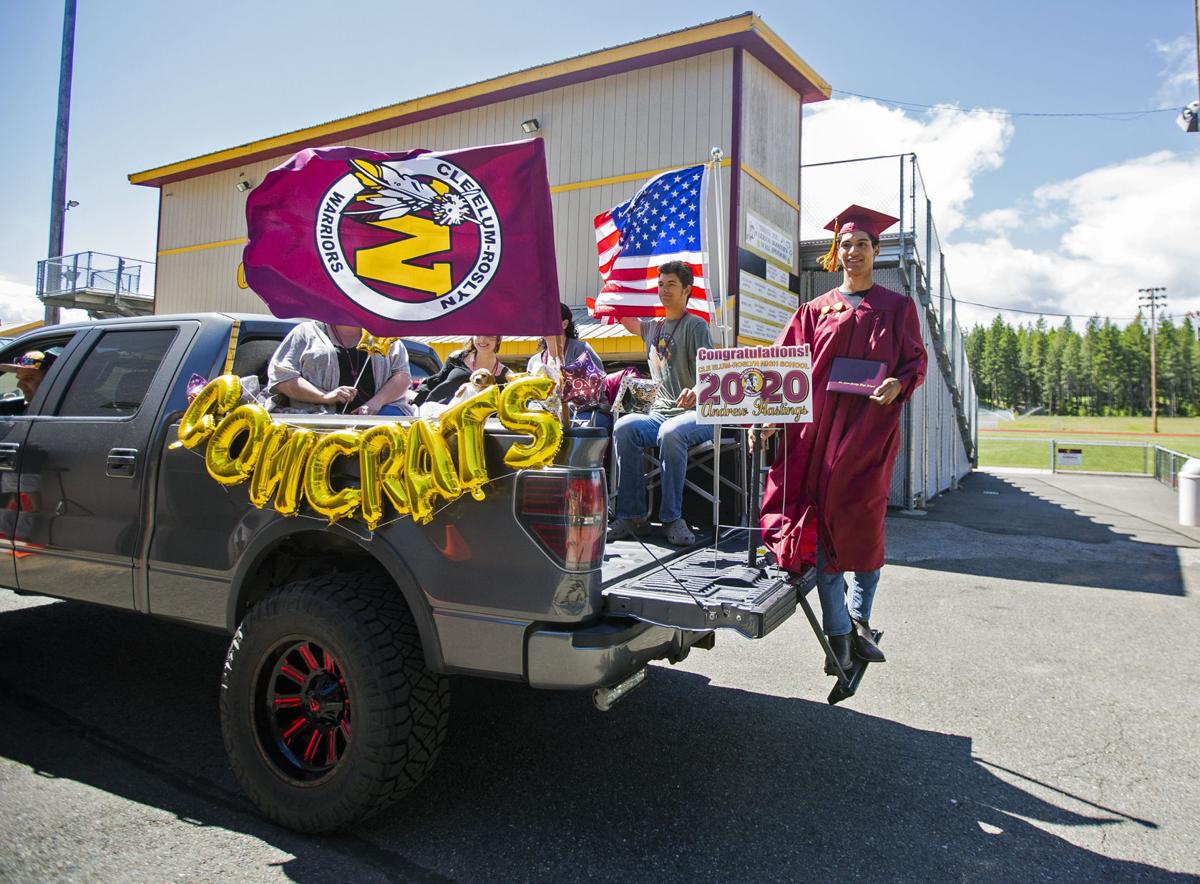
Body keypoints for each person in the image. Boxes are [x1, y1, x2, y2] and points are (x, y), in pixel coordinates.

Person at [756, 205, 927, 674]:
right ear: (837, 252)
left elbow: (915, 363)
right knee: (824, 536)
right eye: (846, 245)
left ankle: (859, 619)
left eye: (862, 245)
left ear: (876, 251)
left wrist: (900, 383)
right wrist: (769, 418)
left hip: (869, 435)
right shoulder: (813, 311)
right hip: (816, 434)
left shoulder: (896, 309)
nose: (853, 252)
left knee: (866, 528)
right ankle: (839, 640)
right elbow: (784, 367)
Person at [607, 260, 713, 547]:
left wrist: (695, 390)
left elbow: (713, 376)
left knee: (671, 433)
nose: (664, 290)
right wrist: (612, 283)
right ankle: (633, 516)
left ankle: (672, 518)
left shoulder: (696, 326)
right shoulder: (652, 328)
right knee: (625, 427)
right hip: (659, 412)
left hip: (697, 415)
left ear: (687, 290)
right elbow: (625, 318)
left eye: (671, 285)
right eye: (661, 284)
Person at [267, 321, 414, 416]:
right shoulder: (306, 332)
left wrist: (377, 402)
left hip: (375, 429)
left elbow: (402, 375)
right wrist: (324, 396)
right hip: (314, 426)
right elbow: (282, 377)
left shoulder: (384, 336)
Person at [412, 335, 509, 407]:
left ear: (499, 339)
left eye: (489, 335)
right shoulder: (457, 357)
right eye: (478, 334)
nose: (482, 340)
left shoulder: (506, 375)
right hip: (438, 417)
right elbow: (436, 381)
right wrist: (414, 400)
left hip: (481, 427)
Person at [526, 302, 603, 375]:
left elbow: (599, 380)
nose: (543, 325)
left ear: (564, 324)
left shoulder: (582, 350)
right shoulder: (534, 361)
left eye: (548, 320)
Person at [0, 349, 59, 415]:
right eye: (19, 378)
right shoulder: (39, 408)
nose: (19, 385)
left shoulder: (60, 411)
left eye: (28, 379)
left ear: (52, 378)